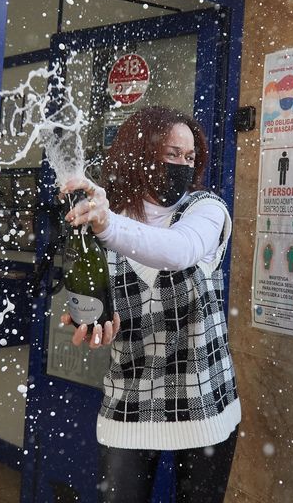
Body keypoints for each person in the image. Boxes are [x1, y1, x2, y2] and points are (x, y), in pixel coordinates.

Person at [59, 106, 239, 503]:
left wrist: (108, 225)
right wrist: (89, 324)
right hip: (129, 403)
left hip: (203, 401)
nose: (182, 165)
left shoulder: (206, 210)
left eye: (189, 157)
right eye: (172, 153)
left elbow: (179, 251)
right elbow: (96, 304)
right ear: (139, 152)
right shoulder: (103, 223)